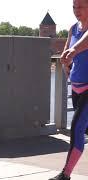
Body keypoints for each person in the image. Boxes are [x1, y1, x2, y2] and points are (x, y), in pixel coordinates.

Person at [50, 0, 88, 179]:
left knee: (77, 127)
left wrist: (73, 50)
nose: (77, 10)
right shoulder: (73, 28)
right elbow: (67, 55)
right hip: (77, 88)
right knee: (84, 130)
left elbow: (82, 43)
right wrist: (67, 62)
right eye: (74, 7)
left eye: (81, 6)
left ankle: (65, 174)